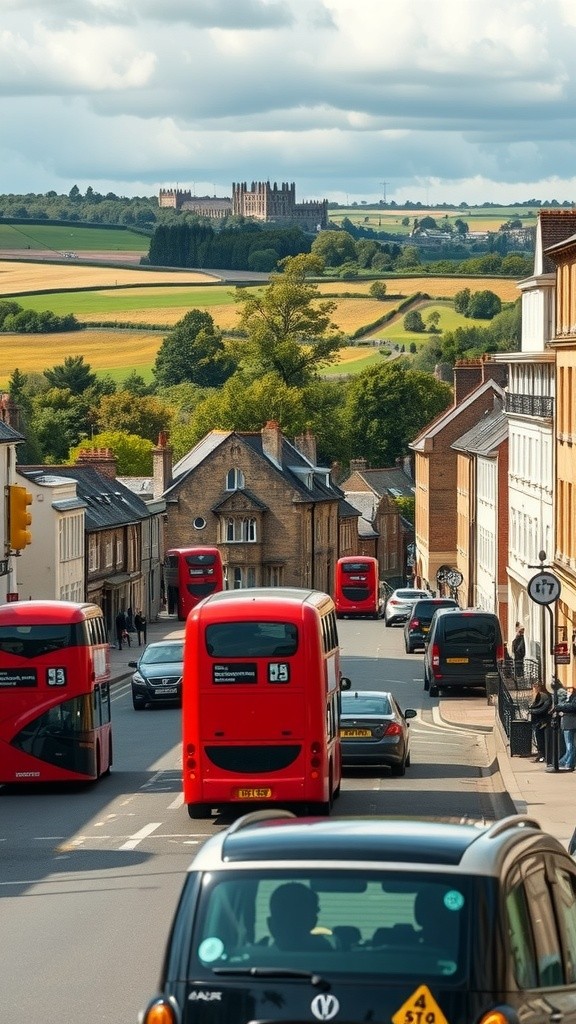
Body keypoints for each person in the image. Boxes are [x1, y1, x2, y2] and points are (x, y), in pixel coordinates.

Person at [267, 882, 332, 951]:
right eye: (283, 915)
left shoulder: (260, 956)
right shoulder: (330, 958)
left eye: (297, 918)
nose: (290, 922)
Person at [528, 681, 552, 763]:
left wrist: (532, 711)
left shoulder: (544, 696)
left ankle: (543, 756)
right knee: (538, 739)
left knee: (541, 740)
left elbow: (543, 708)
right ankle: (540, 755)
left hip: (542, 721)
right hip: (537, 721)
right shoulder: (537, 696)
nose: (533, 689)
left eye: (534, 687)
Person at [553, 684, 576, 772]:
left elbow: (572, 707)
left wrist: (560, 708)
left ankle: (568, 763)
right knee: (569, 745)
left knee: (570, 744)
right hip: (567, 722)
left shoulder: (572, 697)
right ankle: (564, 761)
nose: (568, 690)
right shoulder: (568, 697)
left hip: (570, 723)